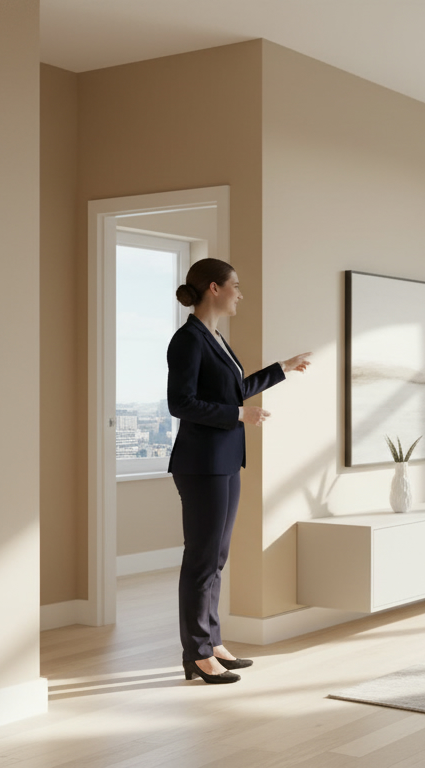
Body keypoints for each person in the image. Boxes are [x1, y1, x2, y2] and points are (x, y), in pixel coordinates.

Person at [167, 258, 311, 684]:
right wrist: (236, 415)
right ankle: (196, 652)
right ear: (215, 288)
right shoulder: (188, 340)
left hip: (225, 460)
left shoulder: (215, 338)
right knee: (201, 559)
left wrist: (281, 368)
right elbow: (181, 403)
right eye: (236, 287)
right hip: (201, 464)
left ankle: (210, 642)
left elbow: (236, 389)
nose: (240, 294)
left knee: (217, 557)